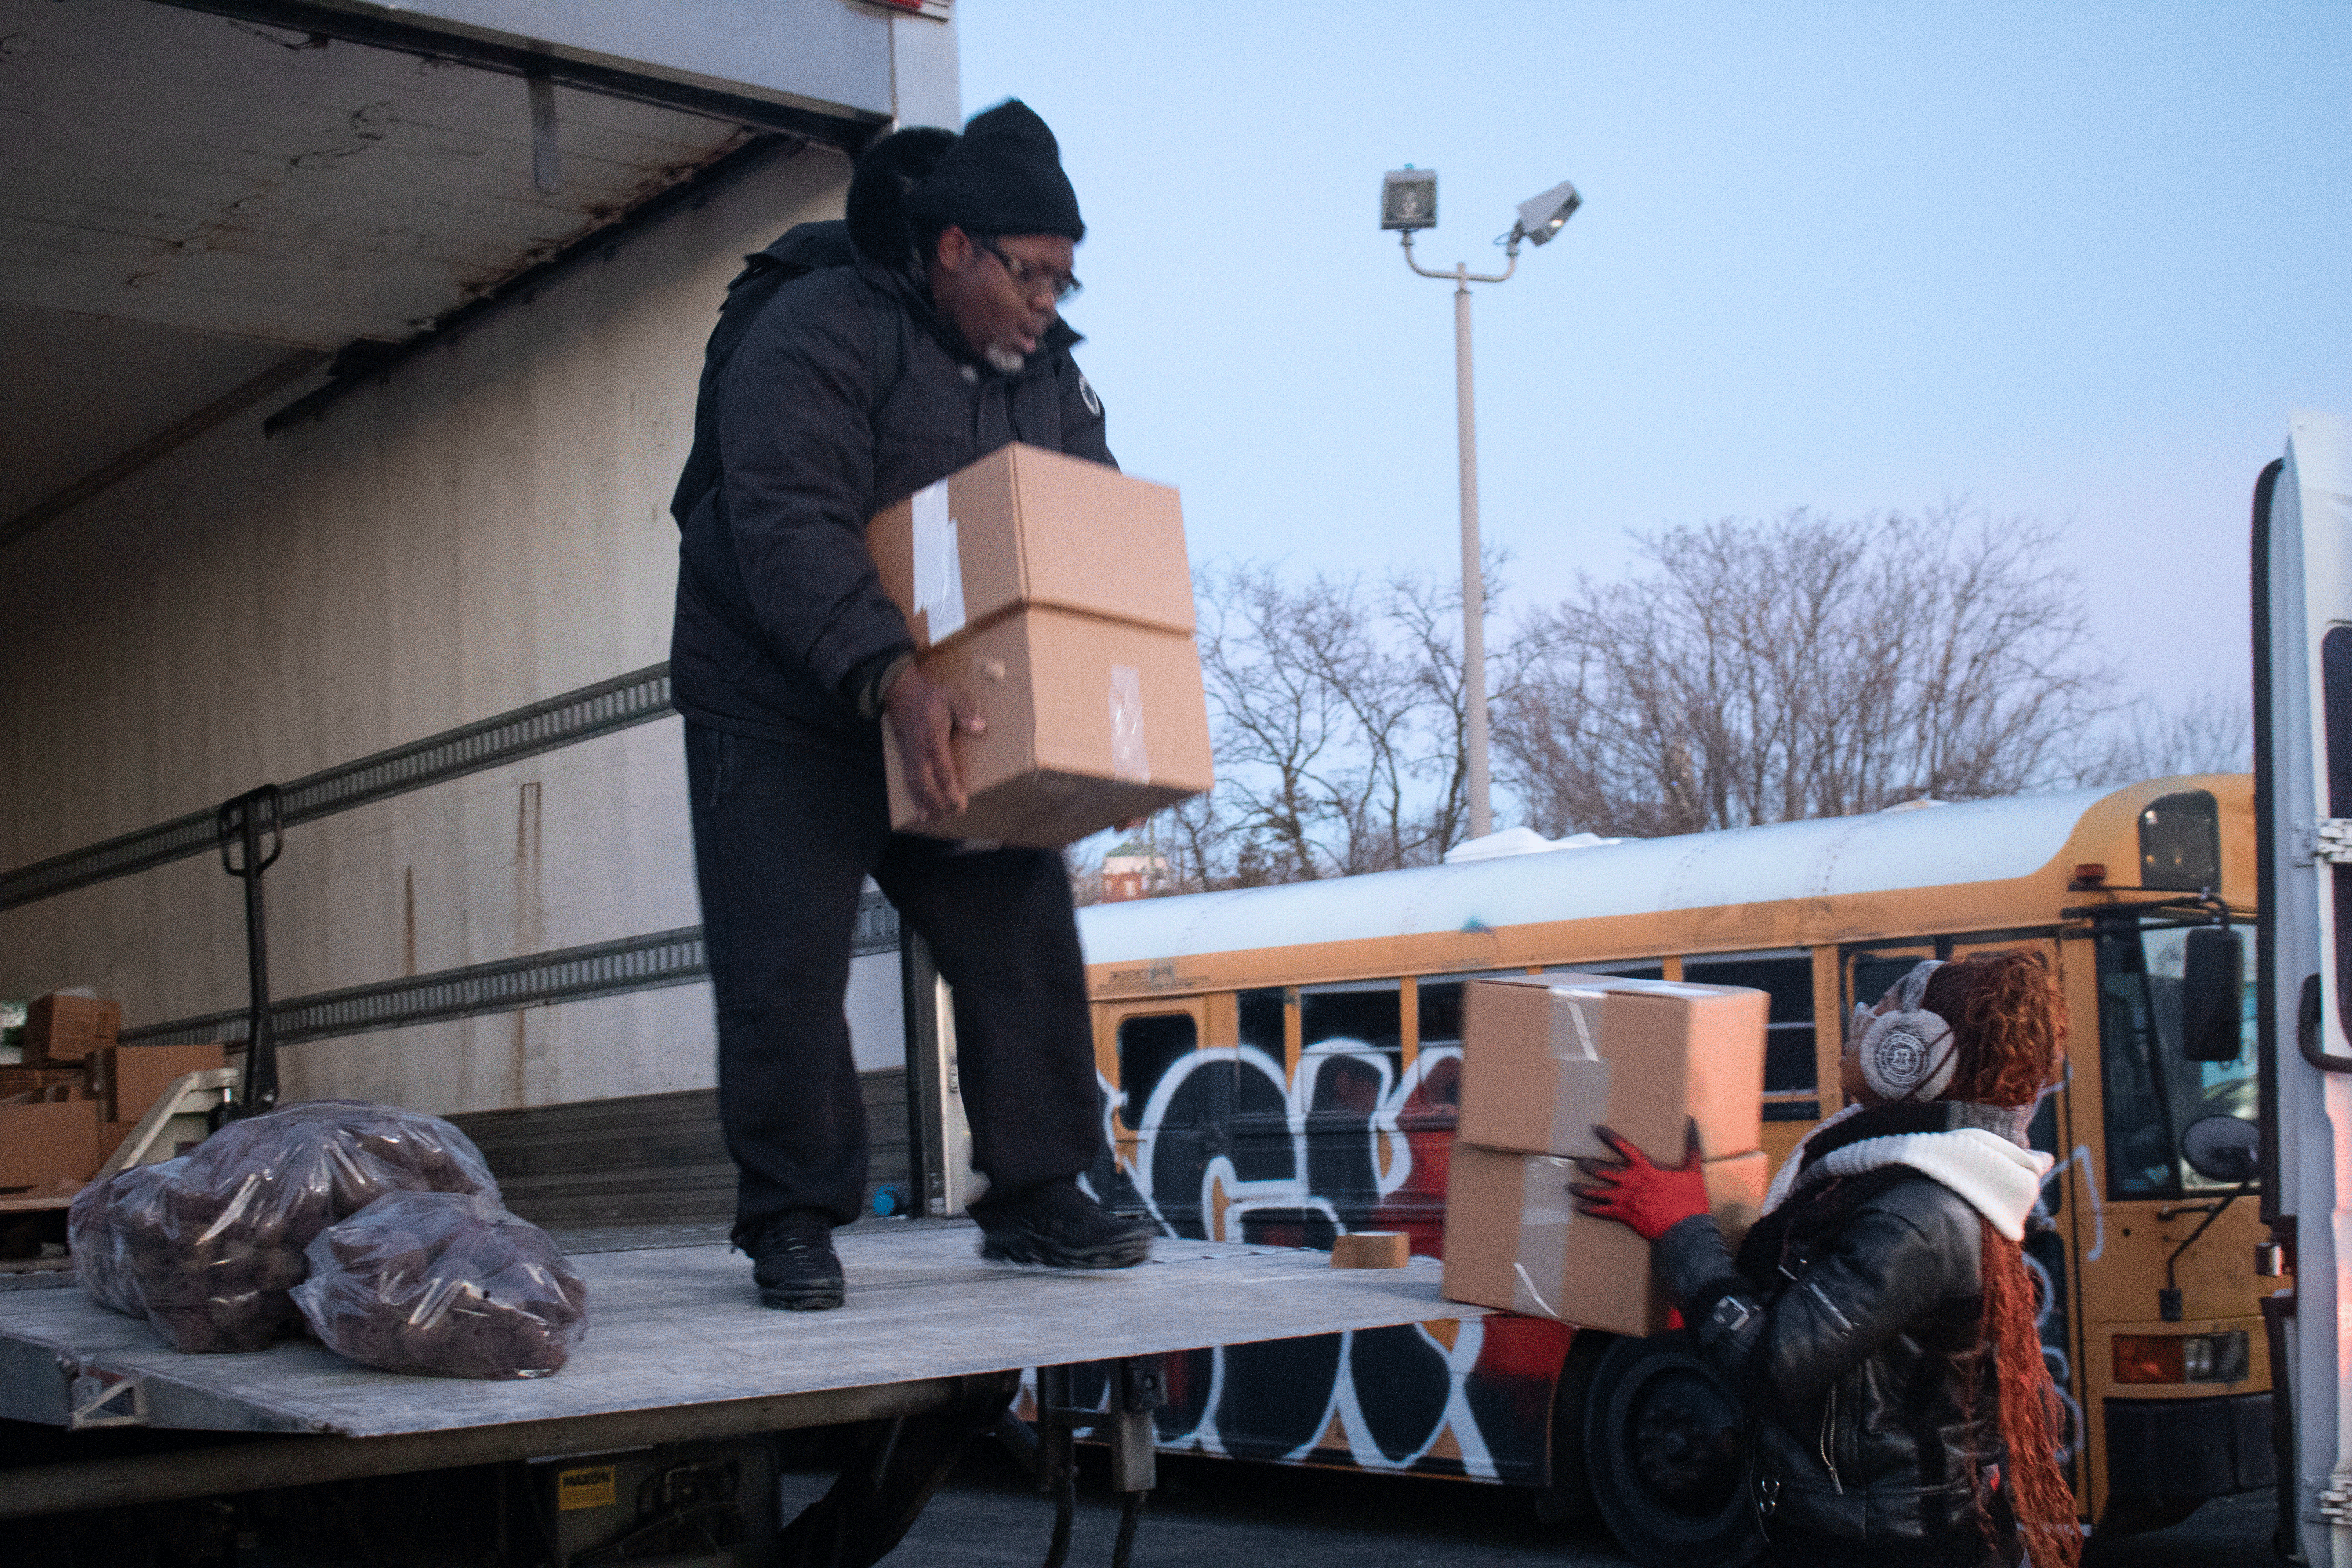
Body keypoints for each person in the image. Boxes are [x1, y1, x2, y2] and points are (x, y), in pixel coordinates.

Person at [669, 100, 1155, 1311]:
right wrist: (889, 679)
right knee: (783, 963)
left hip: (948, 698)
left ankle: (1041, 1193)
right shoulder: (818, 329)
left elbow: (1085, 530)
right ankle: (790, 1214)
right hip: (784, 694)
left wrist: (1105, 732)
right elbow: (784, 516)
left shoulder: (1046, 377)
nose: (1050, 300)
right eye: (1031, 273)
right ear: (954, 249)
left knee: (1021, 925)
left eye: (1064, 277)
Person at [1572, 951, 2081, 1568]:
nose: (1860, 1023)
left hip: (1884, 1546)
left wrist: (1681, 1230)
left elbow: (1770, 1366)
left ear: (1913, 1052)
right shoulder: (1897, 1182)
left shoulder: (1915, 1215)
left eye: (1885, 1014)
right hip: (1863, 1531)